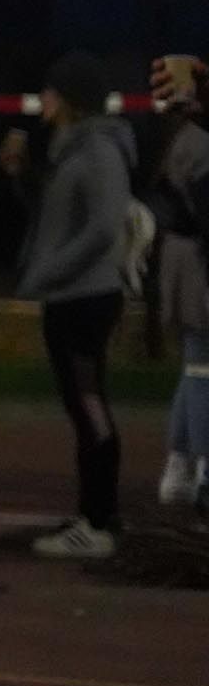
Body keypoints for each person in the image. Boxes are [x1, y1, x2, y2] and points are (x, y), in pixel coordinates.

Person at [5, 50, 135, 558]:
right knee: (82, 407)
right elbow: (56, 220)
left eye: (51, 90)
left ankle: (99, 522)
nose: (43, 98)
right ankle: (94, 514)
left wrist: (46, 273)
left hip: (85, 299)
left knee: (89, 405)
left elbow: (103, 230)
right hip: (69, 296)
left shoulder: (99, 149)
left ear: (72, 99)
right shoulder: (70, 148)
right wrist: (20, 176)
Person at [148, 55, 209, 509]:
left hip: (179, 258)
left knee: (195, 366)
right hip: (197, 259)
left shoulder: (173, 135)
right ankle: (199, 464)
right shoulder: (197, 140)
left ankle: (181, 464)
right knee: (202, 368)